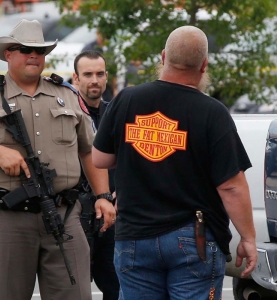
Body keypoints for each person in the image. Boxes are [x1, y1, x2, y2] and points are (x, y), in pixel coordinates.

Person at [0, 19, 116, 300]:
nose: (33, 55)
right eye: (24, 49)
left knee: (75, 294)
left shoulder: (68, 96)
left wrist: (103, 196)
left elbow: (89, 150)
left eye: (40, 50)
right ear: (8, 54)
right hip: (5, 218)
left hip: (63, 212)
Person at [92, 25, 257, 299]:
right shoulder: (212, 113)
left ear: (162, 56)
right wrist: (248, 238)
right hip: (193, 238)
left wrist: (139, 148)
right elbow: (231, 187)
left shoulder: (127, 99)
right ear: (204, 66)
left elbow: (100, 158)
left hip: (135, 236)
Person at [73, 50, 120, 300]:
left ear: (107, 77)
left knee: (116, 287)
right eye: (88, 74)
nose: (94, 80)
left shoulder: (117, 114)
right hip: (73, 212)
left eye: (99, 74)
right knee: (73, 289)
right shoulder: (65, 116)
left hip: (112, 216)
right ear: (76, 78)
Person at [81, 30, 116, 102]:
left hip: (107, 86)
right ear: (97, 33)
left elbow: (114, 69)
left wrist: (114, 88)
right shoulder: (89, 48)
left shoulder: (110, 49)